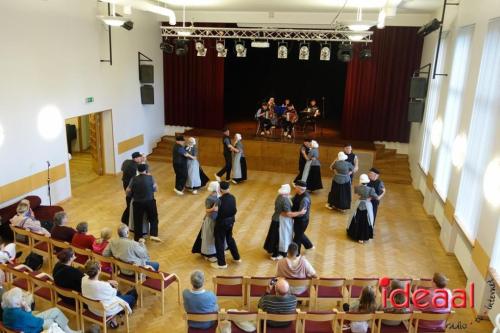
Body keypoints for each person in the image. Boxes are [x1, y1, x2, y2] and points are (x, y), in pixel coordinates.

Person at [81, 260, 135, 329]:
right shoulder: (103, 286)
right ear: (99, 270)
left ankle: (114, 318)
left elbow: (96, 284)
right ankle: (132, 294)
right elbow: (113, 294)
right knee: (132, 297)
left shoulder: (84, 279)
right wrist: (115, 286)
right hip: (105, 310)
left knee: (121, 294)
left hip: (92, 307)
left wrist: (107, 283)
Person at [2, 287, 79, 333]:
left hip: (24, 325)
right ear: (17, 301)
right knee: (53, 321)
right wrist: (28, 311)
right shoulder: (21, 315)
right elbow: (37, 323)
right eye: (21, 296)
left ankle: (68, 331)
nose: (22, 298)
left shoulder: (6, 310)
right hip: (32, 329)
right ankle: (68, 331)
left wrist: (27, 311)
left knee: (56, 310)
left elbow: (26, 318)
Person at [263, 184, 306, 260]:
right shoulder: (285, 200)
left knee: (274, 236)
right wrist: (300, 212)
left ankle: (274, 252)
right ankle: (278, 254)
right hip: (281, 221)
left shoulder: (279, 196)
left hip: (275, 219)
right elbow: (288, 214)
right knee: (280, 237)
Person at [127, 163, 160, 242]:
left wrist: (130, 195)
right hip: (150, 201)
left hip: (138, 202)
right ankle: (153, 234)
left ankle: (139, 237)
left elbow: (128, 190)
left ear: (138, 170)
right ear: (146, 170)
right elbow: (155, 188)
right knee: (154, 218)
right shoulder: (151, 177)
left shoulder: (133, 178)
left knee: (138, 220)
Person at [211, 181, 241, 269]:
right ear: (229, 188)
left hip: (221, 223)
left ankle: (221, 263)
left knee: (219, 241)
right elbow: (234, 210)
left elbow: (216, 211)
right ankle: (237, 257)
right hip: (231, 222)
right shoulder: (233, 197)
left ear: (220, 190)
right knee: (230, 238)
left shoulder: (219, 200)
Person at [192, 181, 222, 262]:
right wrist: (213, 209)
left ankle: (215, 251)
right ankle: (208, 254)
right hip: (211, 220)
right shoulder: (209, 199)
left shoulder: (218, 196)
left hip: (216, 219)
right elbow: (207, 211)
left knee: (213, 237)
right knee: (209, 237)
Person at [347, 174, 379, 244]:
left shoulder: (357, 187)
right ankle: (361, 238)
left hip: (358, 204)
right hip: (367, 205)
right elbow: (376, 197)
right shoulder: (371, 189)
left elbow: (357, 194)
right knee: (366, 221)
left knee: (356, 218)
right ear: (367, 181)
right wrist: (370, 198)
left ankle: (354, 235)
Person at [291, 180, 314, 254]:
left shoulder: (304, 199)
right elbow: (294, 200)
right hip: (298, 219)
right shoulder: (298, 193)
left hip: (302, 221)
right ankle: (309, 245)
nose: (294, 188)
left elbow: (301, 214)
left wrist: (291, 214)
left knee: (297, 238)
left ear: (299, 189)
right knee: (299, 233)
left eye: (296, 187)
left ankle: (296, 254)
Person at [120, 152, 142, 223]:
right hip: (130, 186)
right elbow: (138, 176)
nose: (140, 158)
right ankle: (125, 219)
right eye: (139, 157)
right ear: (135, 158)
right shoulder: (135, 167)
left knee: (129, 200)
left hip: (125, 183)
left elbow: (122, 169)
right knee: (131, 202)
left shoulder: (126, 161)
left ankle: (126, 219)